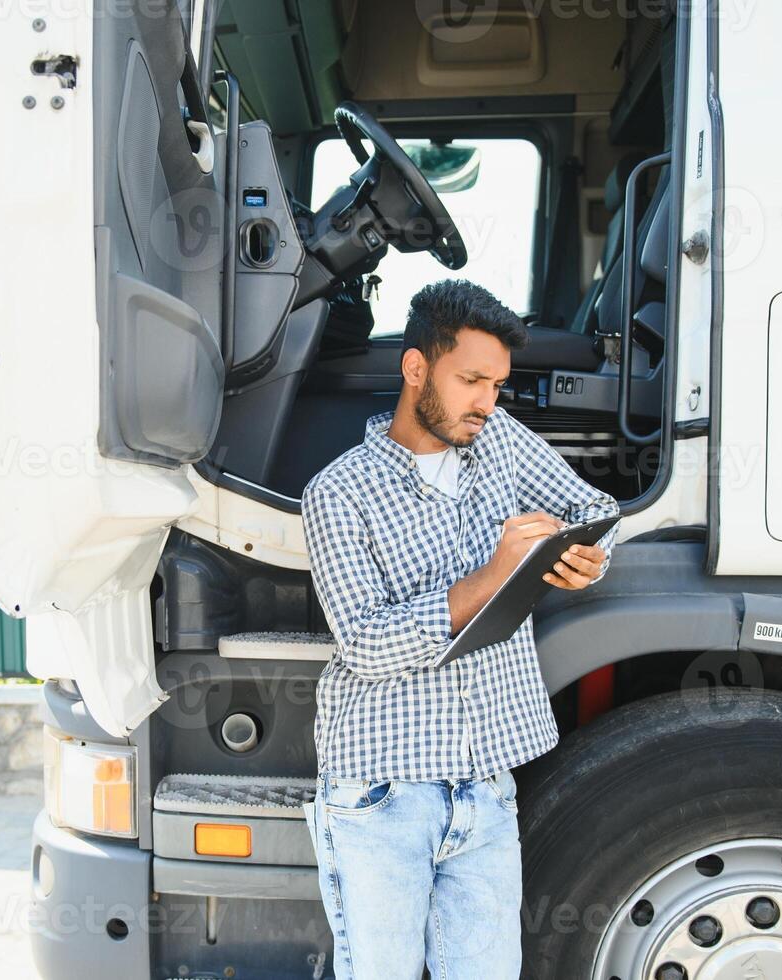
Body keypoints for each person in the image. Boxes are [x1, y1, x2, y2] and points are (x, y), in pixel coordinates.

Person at [299, 279, 620, 979]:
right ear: (416, 368)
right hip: (379, 794)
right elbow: (364, 643)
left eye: (496, 385)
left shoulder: (497, 439)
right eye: (470, 379)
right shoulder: (337, 492)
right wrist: (491, 577)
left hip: (484, 785)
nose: (485, 401)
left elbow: (591, 504)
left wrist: (582, 559)